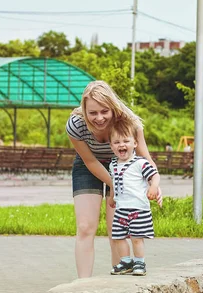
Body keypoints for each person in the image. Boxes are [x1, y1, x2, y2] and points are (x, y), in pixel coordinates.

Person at [66, 80, 161, 278]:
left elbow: (144, 156)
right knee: (85, 227)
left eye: (104, 112)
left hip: (123, 164)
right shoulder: (75, 125)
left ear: (113, 108)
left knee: (116, 230)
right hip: (88, 166)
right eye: (92, 113)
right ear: (84, 110)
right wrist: (116, 185)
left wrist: (154, 182)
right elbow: (90, 161)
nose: (99, 118)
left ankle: (118, 286)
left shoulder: (129, 121)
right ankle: (83, 284)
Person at [107, 119, 160, 276]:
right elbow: (114, 183)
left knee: (136, 238)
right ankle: (126, 261)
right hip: (121, 208)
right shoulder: (113, 164)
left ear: (135, 143)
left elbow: (155, 175)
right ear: (111, 146)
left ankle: (139, 262)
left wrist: (153, 187)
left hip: (138, 208)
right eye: (116, 142)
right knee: (117, 236)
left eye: (126, 141)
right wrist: (112, 197)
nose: (121, 145)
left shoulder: (140, 163)